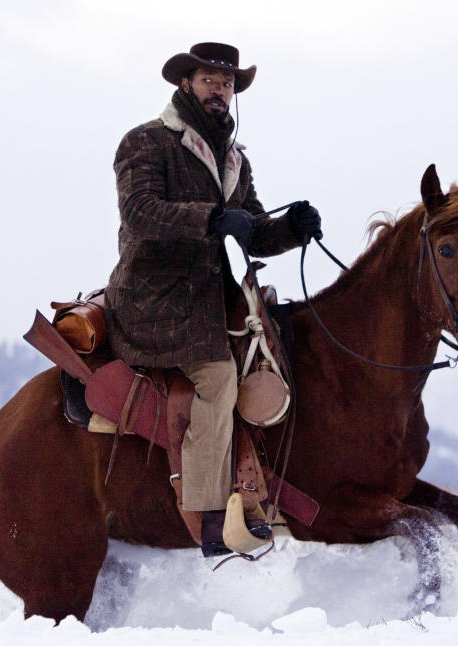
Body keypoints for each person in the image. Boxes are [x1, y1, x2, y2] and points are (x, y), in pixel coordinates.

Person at [104, 42, 321, 556]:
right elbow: (140, 212)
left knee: (276, 350)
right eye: (209, 80)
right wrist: (211, 218)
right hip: (153, 299)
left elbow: (254, 232)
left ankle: (261, 488)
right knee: (219, 376)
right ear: (186, 84)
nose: (219, 90)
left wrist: (291, 229)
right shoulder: (145, 142)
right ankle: (208, 516)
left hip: (207, 298)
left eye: (227, 84)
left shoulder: (233, 160)